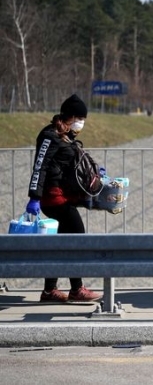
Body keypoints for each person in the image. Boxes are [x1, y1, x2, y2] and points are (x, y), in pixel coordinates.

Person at [25, 94, 102, 303]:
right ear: (72, 116)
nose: (82, 123)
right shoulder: (49, 136)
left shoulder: (66, 136)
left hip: (63, 197)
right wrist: (34, 197)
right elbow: (40, 166)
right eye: (81, 118)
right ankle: (77, 289)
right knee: (77, 238)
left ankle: (50, 291)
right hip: (53, 199)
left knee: (60, 244)